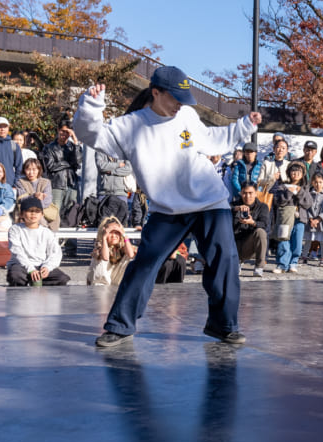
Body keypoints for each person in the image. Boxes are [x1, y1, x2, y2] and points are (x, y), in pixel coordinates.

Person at [73, 65, 260, 347]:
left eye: (183, 99)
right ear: (156, 93)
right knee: (146, 263)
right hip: (168, 208)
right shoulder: (131, 126)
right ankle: (120, 326)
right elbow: (91, 135)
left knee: (225, 260)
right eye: (174, 98)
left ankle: (223, 326)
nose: (179, 105)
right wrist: (91, 105)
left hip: (210, 201)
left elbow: (212, 140)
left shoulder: (186, 114)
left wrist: (243, 127)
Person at [7, 196, 71, 287]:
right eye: (29, 211)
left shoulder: (46, 232)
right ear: (21, 214)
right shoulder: (15, 229)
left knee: (62, 278)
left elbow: (56, 252)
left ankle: (42, 290)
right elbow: (17, 251)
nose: (33, 214)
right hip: (21, 265)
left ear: (42, 215)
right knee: (16, 276)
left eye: (37, 211)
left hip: (40, 265)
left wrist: (47, 267)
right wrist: (31, 269)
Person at [41, 117, 82, 220]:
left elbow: (77, 163)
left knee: (71, 213)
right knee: (54, 213)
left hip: (72, 184)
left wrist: (76, 141)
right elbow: (50, 166)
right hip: (56, 184)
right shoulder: (49, 148)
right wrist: (69, 164)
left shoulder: (73, 147)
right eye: (63, 131)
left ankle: (69, 236)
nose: (64, 134)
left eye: (68, 132)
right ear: (58, 130)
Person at [232, 182, 271, 277]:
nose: (247, 196)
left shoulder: (262, 207)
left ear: (256, 193)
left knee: (261, 232)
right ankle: (235, 263)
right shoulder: (234, 205)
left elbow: (265, 224)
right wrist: (235, 209)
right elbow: (222, 210)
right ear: (240, 193)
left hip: (249, 246)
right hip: (233, 245)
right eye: (244, 193)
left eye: (250, 193)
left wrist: (252, 222)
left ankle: (259, 267)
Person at [87, 216, 136, 286]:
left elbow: (131, 255)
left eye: (117, 233)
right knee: (101, 259)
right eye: (110, 233)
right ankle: (100, 285)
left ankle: (125, 284)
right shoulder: (100, 245)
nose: (114, 236)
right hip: (100, 280)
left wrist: (124, 235)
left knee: (130, 257)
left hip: (115, 278)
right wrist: (104, 238)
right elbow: (105, 257)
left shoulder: (122, 246)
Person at [15, 158, 59, 230]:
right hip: (27, 211)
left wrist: (36, 204)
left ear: (39, 170)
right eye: (28, 169)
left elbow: (47, 200)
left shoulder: (46, 182)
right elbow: (22, 198)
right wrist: (35, 196)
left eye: (34, 169)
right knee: (38, 220)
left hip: (44, 210)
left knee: (52, 219)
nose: (31, 172)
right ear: (24, 170)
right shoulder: (20, 182)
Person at [304, 172, 323, 264]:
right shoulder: (309, 194)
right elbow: (306, 207)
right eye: (315, 182)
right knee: (308, 239)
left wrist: (318, 219)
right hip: (310, 221)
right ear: (312, 183)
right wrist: (311, 219)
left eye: (320, 182)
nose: (318, 184)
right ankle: (304, 256)